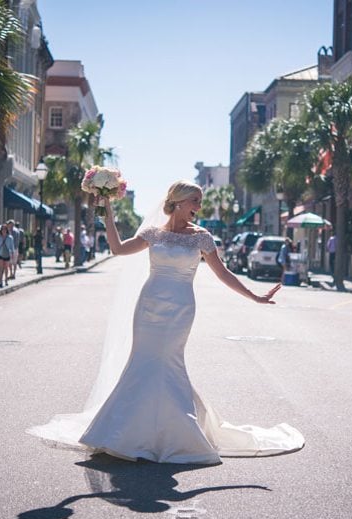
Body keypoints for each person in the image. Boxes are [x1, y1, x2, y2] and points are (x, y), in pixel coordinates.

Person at [28, 180, 304, 464]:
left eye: (199, 200)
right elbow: (118, 249)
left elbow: (224, 274)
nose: (199, 206)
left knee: (169, 361)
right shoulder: (152, 233)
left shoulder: (202, 237)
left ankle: (176, 432)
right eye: (195, 200)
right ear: (179, 201)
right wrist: (106, 208)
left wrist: (255, 296)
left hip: (180, 309)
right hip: (148, 307)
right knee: (142, 361)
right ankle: (125, 432)